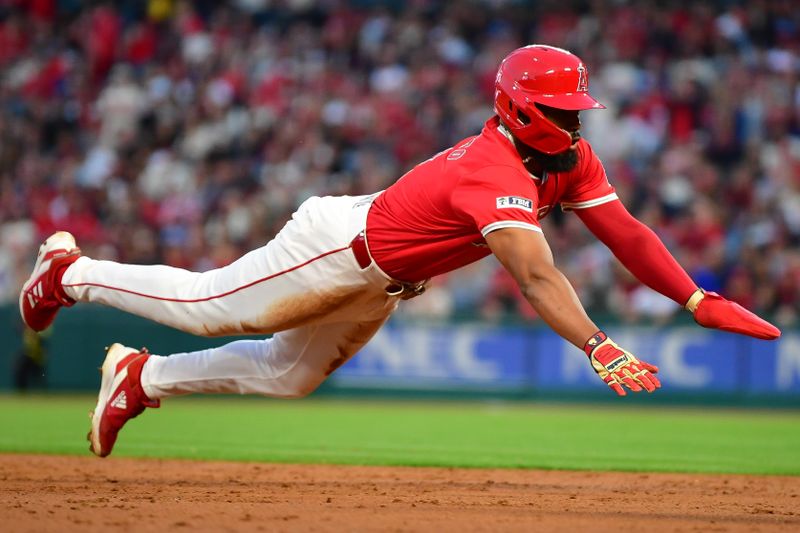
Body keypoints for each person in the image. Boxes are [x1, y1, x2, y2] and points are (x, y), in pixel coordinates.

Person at [19, 45, 780, 458]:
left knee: (288, 378)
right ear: (519, 106)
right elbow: (535, 273)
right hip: (336, 248)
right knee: (210, 308)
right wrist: (597, 344)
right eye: (558, 108)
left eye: (575, 108)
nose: (573, 121)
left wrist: (693, 298)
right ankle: (70, 272)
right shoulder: (493, 170)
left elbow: (628, 234)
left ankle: (142, 377)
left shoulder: (568, 158)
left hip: (385, 278)